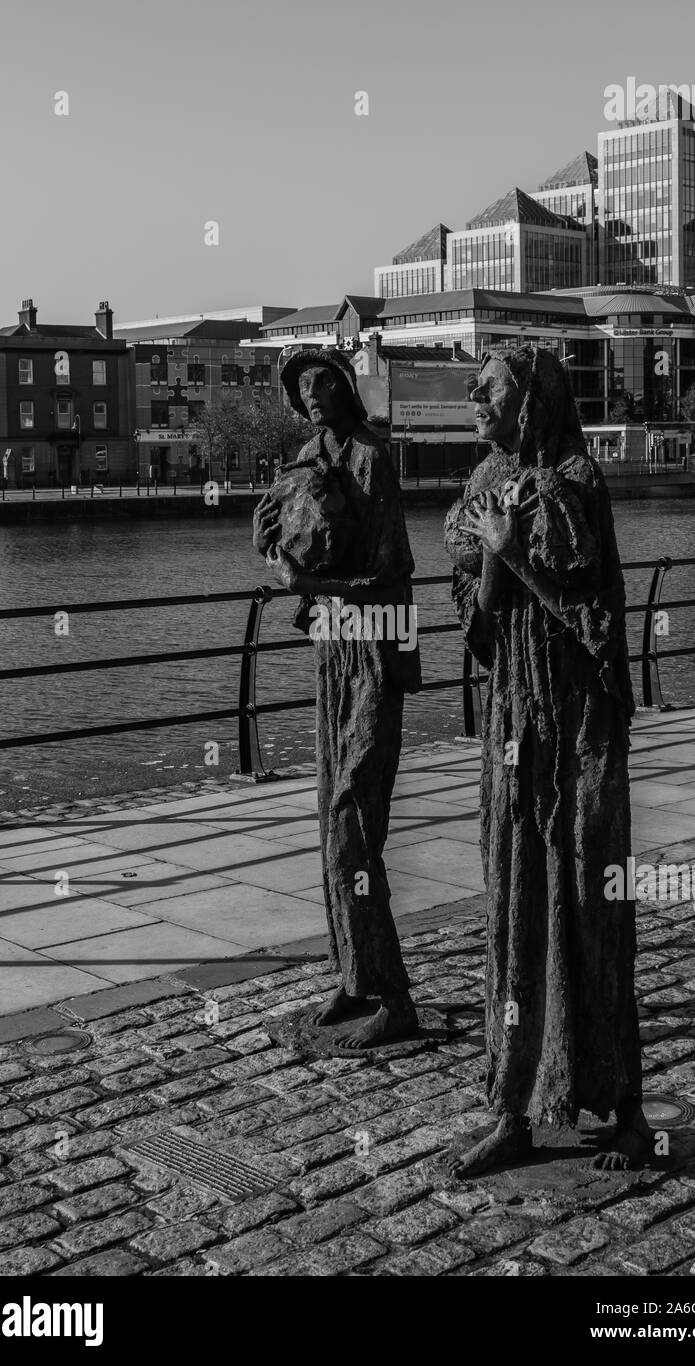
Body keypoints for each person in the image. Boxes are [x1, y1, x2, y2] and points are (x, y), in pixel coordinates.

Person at [444, 345, 650, 1174]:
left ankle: (625, 1107)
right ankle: (512, 1106)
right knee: (514, 906)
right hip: (513, 723)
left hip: (577, 724)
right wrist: (496, 554)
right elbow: (480, 621)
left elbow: (595, 620)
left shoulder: (575, 481)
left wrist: (515, 551)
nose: (474, 400)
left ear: (531, 398)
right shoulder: (485, 479)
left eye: (488, 389)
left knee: (592, 906)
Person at [252, 349, 422, 1049]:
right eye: (300, 386)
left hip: (376, 644)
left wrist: (310, 588)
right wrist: (280, 559)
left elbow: (391, 574)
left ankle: (395, 997)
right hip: (332, 646)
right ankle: (353, 978)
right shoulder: (305, 453)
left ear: (347, 387)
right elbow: (286, 536)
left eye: (321, 381)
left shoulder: (373, 458)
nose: (311, 392)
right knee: (331, 818)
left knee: (354, 823)